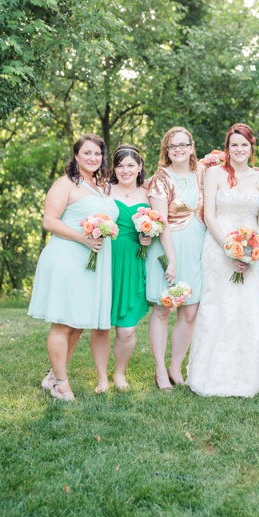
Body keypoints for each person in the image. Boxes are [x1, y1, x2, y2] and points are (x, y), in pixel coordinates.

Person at [188, 123, 259, 396]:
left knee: (250, 307)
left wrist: (254, 249)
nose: (239, 149)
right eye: (234, 145)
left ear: (252, 147)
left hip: (253, 251)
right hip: (218, 248)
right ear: (227, 149)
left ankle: (253, 374)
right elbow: (209, 215)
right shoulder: (214, 174)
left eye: (244, 144)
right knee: (219, 306)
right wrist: (229, 248)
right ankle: (211, 374)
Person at [28, 134, 118, 400]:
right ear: (76, 155)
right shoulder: (65, 184)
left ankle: (54, 376)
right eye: (87, 153)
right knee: (64, 322)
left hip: (91, 263)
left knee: (77, 322)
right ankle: (61, 384)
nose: (93, 158)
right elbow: (50, 221)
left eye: (98, 154)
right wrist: (83, 238)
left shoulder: (101, 185)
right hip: (67, 257)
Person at [145, 127, 205, 390]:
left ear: (192, 147)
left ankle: (175, 367)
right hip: (168, 246)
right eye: (172, 146)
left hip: (196, 245)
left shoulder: (201, 174)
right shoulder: (161, 178)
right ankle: (159, 370)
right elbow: (162, 222)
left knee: (190, 310)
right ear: (166, 151)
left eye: (183, 145)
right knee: (163, 308)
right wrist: (172, 259)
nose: (178, 150)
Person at [108, 145, 152, 391]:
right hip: (107, 258)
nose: (125, 170)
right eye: (120, 165)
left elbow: (161, 222)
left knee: (126, 328)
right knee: (101, 326)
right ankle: (102, 377)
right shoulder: (105, 190)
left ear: (139, 167)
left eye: (130, 165)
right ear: (114, 168)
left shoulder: (148, 193)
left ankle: (120, 373)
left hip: (134, 260)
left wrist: (149, 237)